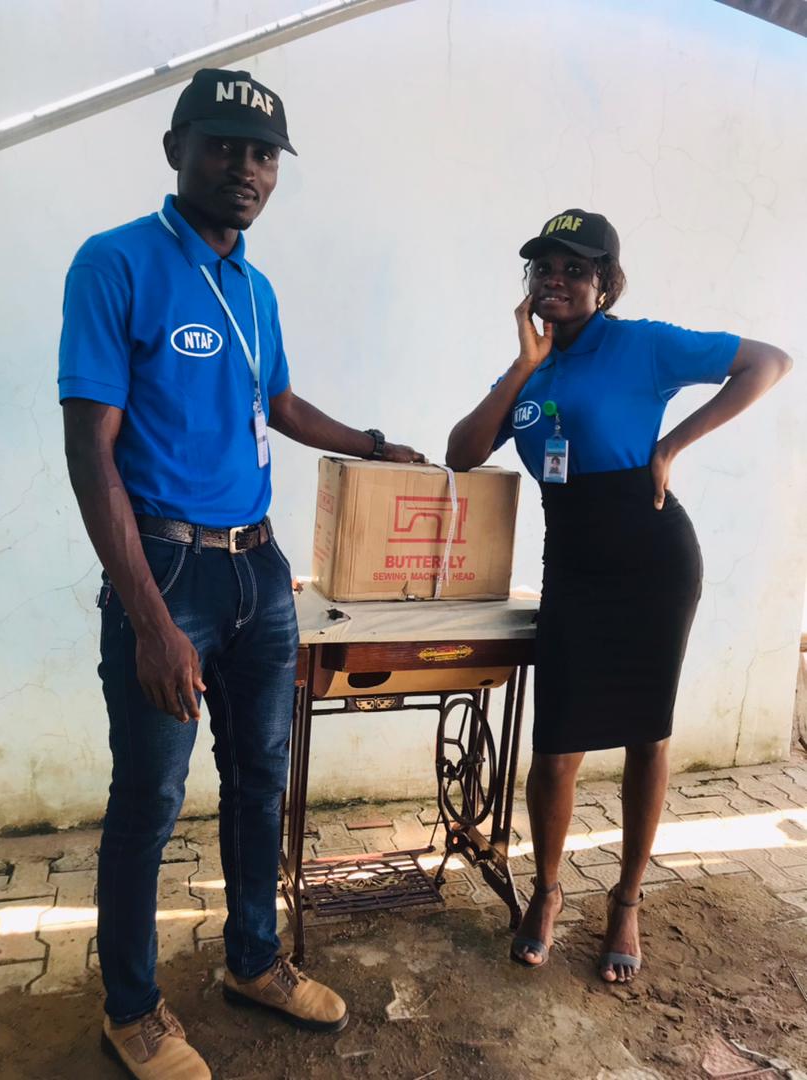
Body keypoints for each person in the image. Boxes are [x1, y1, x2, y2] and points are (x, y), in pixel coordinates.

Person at [59, 67, 425, 1079]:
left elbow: (279, 403)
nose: (247, 167)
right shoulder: (115, 262)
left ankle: (254, 961)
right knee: (150, 800)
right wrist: (149, 622)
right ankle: (131, 1010)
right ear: (175, 149)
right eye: (223, 144)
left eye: (264, 153)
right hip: (166, 572)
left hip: (259, 571)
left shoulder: (256, 290)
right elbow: (90, 450)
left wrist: (373, 444)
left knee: (261, 779)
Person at [445, 208, 791, 985]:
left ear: (606, 283)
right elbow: (461, 453)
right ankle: (548, 892)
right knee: (556, 748)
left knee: (646, 736)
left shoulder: (644, 344)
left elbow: (769, 362)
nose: (556, 280)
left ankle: (627, 900)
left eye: (575, 269)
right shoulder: (534, 369)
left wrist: (672, 444)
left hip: (652, 558)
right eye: (544, 268)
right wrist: (523, 364)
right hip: (572, 565)